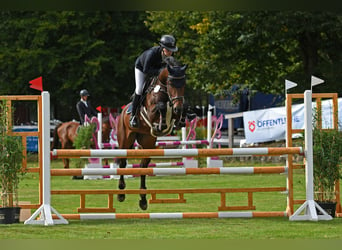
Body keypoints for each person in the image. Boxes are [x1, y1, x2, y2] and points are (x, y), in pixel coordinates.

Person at [129, 34, 178, 128]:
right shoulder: (151, 54)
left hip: (156, 69)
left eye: (171, 50)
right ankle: (133, 116)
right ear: (162, 48)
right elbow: (146, 70)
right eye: (168, 50)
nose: (170, 53)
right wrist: (160, 72)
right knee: (139, 89)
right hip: (142, 68)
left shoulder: (170, 54)